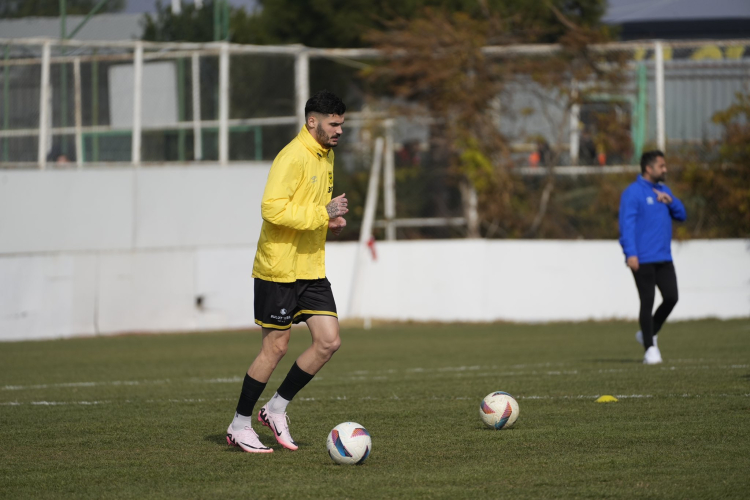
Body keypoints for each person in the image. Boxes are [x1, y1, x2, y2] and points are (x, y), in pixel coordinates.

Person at [226, 90, 348, 453]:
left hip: (310, 267)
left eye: (342, 124)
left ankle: (275, 409)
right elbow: (272, 210)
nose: (340, 130)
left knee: (328, 341)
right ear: (313, 122)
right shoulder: (292, 156)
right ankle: (239, 425)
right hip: (279, 268)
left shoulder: (326, 156)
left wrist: (328, 224)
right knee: (275, 348)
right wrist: (322, 214)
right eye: (334, 124)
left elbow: (309, 211)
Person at [618, 150, 686, 365]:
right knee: (647, 301)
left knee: (672, 297)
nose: (665, 169)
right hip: (642, 258)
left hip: (664, 257)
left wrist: (671, 201)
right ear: (649, 168)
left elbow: (682, 216)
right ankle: (650, 349)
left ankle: (648, 332)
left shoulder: (664, 191)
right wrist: (631, 254)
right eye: (661, 166)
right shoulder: (633, 193)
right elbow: (626, 226)